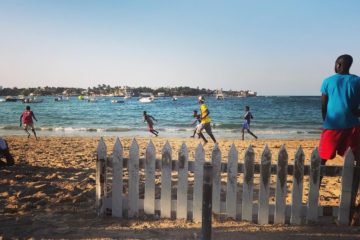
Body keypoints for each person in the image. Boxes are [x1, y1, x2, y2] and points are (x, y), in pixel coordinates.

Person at [318, 54, 360, 225]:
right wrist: (355, 113)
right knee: (357, 161)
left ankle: (315, 191)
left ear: (338, 64)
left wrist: (326, 121)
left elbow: (323, 104)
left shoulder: (328, 81)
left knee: (321, 160)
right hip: (353, 126)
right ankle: (355, 210)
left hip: (332, 126)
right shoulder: (357, 81)